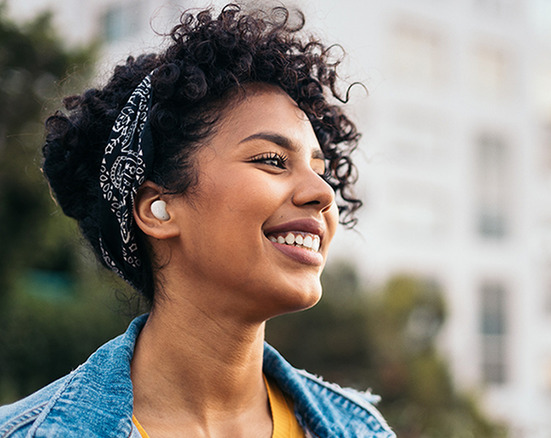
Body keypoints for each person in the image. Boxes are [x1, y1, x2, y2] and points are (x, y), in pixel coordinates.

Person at [0, 3, 394, 437]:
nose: (322, 194)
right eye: (272, 160)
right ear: (157, 208)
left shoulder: (364, 430)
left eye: (319, 170)